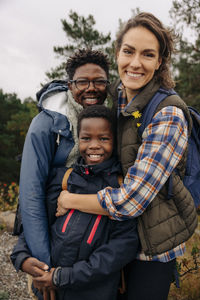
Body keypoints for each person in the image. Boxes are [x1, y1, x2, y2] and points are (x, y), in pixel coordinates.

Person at [55, 12, 198, 300]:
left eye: (147, 55)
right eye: (128, 51)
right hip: (116, 234)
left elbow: (131, 202)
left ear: (159, 63)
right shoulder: (120, 94)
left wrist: (68, 199)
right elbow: (80, 90)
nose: (135, 63)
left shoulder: (168, 115)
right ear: (117, 53)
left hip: (153, 243)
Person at [11, 105, 139, 300]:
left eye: (104, 138)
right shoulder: (63, 179)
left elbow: (119, 250)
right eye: (86, 138)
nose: (94, 145)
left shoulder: (121, 189)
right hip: (47, 291)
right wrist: (23, 257)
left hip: (92, 293)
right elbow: (37, 223)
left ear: (116, 141)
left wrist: (61, 277)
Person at [18, 48, 110, 268]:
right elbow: (31, 193)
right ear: (70, 85)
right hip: (55, 229)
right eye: (82, 82)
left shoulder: (111, 119)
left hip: (96, 235)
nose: (91, 88)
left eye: (99, 81)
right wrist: (44, 264)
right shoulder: (46, 124)